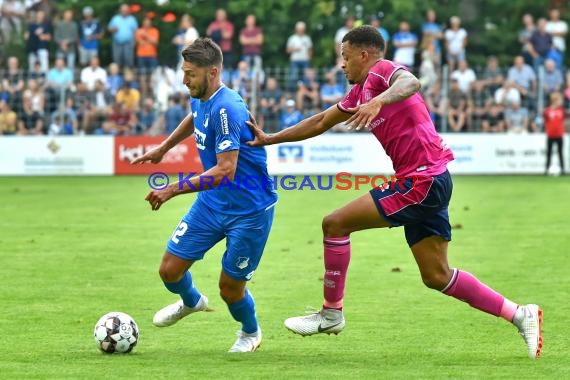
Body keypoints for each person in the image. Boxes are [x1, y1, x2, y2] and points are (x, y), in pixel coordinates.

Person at [246, 25, 542, 359]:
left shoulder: (382, 72)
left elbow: (410, 82)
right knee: (436, 275)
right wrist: (271, 138)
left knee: (335, 224)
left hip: (421, 181)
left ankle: (331, 313)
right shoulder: (359, 93)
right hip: (431, 179)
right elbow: (320, 122)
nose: (341, 65)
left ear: (363, 55)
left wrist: (380, 101)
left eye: (344, 57)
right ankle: (520, 314)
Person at [131, 38, 278, 352]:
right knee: (169, 270)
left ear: (212, 73)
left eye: (190, 74)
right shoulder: (199, 95)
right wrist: (164, 148)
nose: (184, 80)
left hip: (249, 210)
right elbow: (194, 116)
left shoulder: (229, 108)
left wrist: (172, 189)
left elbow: (226, 170)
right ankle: (192, 301)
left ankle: (250, 333)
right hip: (212, 205)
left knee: (230, 289)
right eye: (184, 73)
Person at [543, 92, 565, 175]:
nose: (561, 102)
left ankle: (562, 169)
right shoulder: (547, 111)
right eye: (559, 100)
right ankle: (547, 168)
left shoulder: (561, 110)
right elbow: (545, 120)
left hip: (559, 134)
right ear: (555, 101)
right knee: (549, 153)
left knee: (560, 152)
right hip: (550, 135)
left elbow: (563, 120)